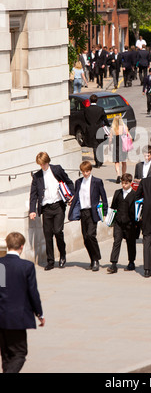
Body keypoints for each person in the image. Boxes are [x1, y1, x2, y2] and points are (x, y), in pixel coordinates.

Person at [0, 232, 45, 373]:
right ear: (21, 246)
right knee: (19, 353)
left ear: (7, 245)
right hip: (17, 316)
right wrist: (39, 313)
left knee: (6, 355)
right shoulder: (26, 266)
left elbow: (2, 287)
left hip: (2, 315)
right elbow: (32, 292)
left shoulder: (1, 265)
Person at [29, 152, 75, 271]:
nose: (42, 166)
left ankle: (62, 255)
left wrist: (72, 195)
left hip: (58, 205)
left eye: (44, 163)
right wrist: (32, 210)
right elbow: (33, 195)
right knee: (48, 234)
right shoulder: (37, 176)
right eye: (40, 164)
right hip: (46, 208)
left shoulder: (57, 169)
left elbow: (69, 182)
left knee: (58, 231)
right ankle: (50, 261)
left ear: (47, 161)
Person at [68, 161, 108, 272]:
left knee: (91, 235)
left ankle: (96, 259)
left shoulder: (97, 182)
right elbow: (77, 196)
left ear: (90, 170)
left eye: (87, 171)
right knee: (85, 238)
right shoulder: (78, 182)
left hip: (93, 212)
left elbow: (103, 197)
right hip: (83, 212)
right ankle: (92, 259)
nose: (85, 173)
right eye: (83, 171)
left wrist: (104, 212)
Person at [107, 173, 137, 274]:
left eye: (126, 183)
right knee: (116, 241)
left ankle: (131, 262)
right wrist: (111, 219)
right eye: (122, 183)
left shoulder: (134, 195)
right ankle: (113, 264)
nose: (124, 185)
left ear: (131, 183)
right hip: (118, 222)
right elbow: (113, 207)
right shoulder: (117, 193)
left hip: (130, 223)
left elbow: (137, 211)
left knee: (130, 243)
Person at [84, 94, 110, 168]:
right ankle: (100, 161)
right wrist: (108, 124)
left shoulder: (87, 109)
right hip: (99, 129)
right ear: (97, 100)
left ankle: (97, 162)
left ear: (90, 100)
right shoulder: (100, 109)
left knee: (94, 146)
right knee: (100, 145)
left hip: (90, 130)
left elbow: (85, 119)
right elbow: (104, 118)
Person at [109, 116, 132, 184]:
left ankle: (118, 174)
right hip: (123, 145)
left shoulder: (113, 128)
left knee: (117, 161)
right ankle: (123, 176)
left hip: (116, 144)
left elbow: (110, 139)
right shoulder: (124, 127)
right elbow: (129, 136)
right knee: (124, 161)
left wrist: (110, 146)